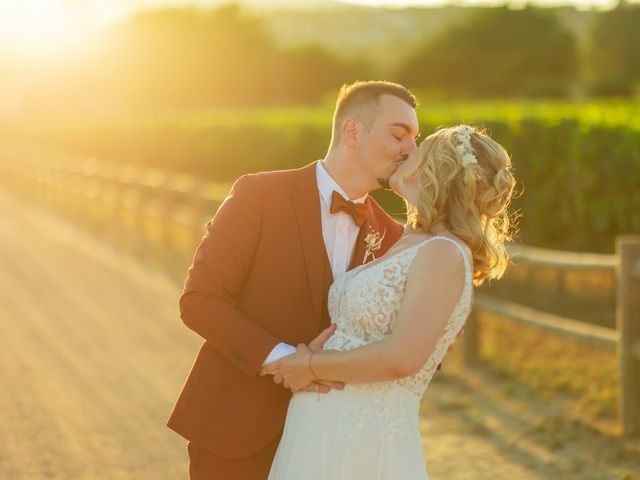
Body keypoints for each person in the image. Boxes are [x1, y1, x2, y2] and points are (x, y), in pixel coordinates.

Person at [166, 80, 421, 479]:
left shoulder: (394, 236)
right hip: (237, 428)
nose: (411, 150)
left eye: (415, 138)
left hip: (334, 443)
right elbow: (200, 300)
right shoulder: (259, 194)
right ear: (352, 131)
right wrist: (286, 360)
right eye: (398, 134)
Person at [262, 124, 517, 479]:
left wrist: (311, 367)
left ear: (436, 174)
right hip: (322, 427)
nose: (406, 151)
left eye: (418, 150)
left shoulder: (443, 253)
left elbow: (403, 358)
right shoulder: (406, 240)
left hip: (365, 437)